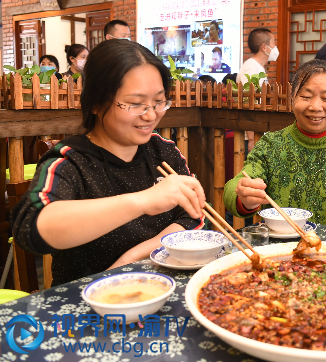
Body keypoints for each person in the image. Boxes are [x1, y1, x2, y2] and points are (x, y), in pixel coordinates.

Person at [11, 39, 206, 286]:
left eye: (159, 101)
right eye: (135, 104)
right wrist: (143, 200)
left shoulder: (163, 152)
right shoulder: (71, 160)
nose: (150, 115)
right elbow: (31, 229)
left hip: (161, 288)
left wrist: (133, 257)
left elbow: (193, 217)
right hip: (88, 304)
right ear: (95, 101)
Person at [224, 59, 326, 230]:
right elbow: (233, 188)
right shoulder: (271, 145)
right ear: (292, 97)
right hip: (280, 251)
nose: (315, 107)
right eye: (306, 97)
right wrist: (244, 197)